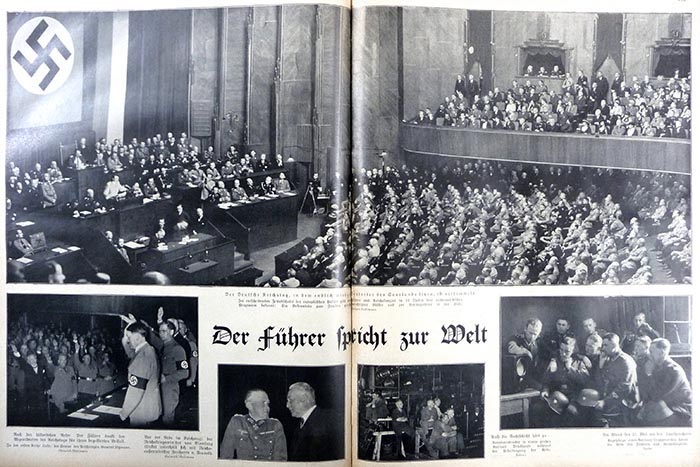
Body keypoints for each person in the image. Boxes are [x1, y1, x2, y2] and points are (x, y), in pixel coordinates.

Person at [637, 338, 692, 426]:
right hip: (664, 405)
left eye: (651, 352)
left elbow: (655, 396)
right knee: (642, 414)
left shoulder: (673, 370)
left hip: (680, 409)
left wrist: (648, 374)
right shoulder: (656, 365)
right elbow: (645, 394)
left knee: (647, 417)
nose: (648, 355)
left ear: (662, 353)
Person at [220, 389, 288, 460]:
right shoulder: (237, 422)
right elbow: (225, 456)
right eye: (263, 403)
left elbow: (280, 460)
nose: (267, 408)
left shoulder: (275, 425)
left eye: (267, 404)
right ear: (249, 405)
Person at [119, 321, 162, 426]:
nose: (128, 341)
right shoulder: (149, 350)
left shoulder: (142, 357)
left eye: (129, 338)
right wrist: (125, 336)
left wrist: (124, 413)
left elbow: (136, 391)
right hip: (149, 407)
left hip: (141, 410)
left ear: (138, 337)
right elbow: (130, 354)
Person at [286, 382, 342, 461]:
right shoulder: (298, 427)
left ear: (304, 399)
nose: (287, 405)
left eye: (290, 400)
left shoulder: (330, 419)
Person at [157, 321, 188, 426]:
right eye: (160, 331)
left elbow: (184, 373)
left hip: (169, 389)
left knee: (167, 418)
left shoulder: (177, 349)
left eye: (164, 331)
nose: (161, 333)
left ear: (171, 331)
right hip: (160, 387)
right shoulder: (163, 347)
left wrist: (167, 378)